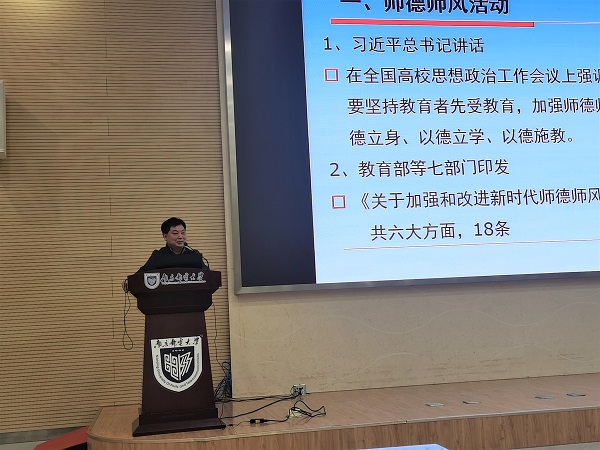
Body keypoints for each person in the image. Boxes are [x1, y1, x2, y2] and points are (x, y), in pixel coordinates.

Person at [121, 217, 204, 292]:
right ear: (165, 236)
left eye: (183, 233)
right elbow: (142, 273)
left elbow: (207, 275)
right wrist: (129, 282)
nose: (180, 237)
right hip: (164, 300)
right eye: (175, 233)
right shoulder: (159, 256)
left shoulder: (193, 255)